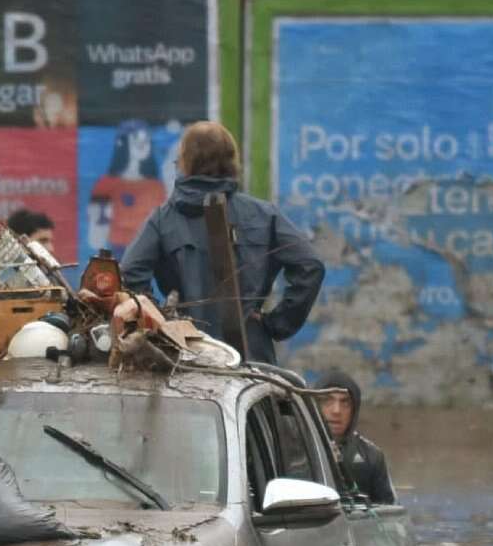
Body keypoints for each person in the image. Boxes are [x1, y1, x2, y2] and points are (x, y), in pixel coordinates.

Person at [119, 121, 324, 366]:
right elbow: (310, 265)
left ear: (184, 162)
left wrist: (161, 324)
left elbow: (129, 273)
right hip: (252, 355)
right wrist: (276, 324)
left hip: (187, 352)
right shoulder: (263, 214)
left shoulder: (163, 220)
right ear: (231, 161)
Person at [317, 376, 394, 505]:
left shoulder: (372, 456)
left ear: (354, 411)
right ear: (315, 406)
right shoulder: (297, 451)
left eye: (345, 403)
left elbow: (387, 512)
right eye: (327, 401)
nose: (336, 411)